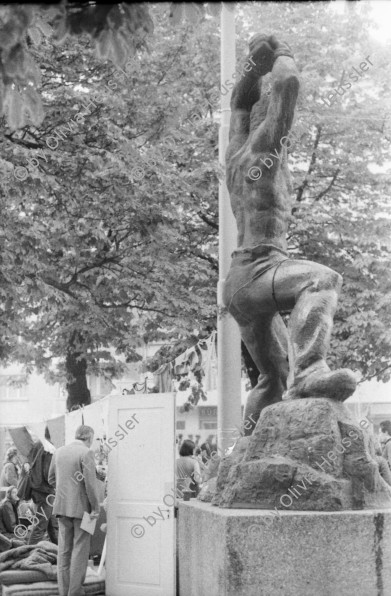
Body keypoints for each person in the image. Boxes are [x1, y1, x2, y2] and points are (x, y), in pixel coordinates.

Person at [223, 34, 357, 435]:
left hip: (237, 286)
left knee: (271, 379)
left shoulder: (234, 156)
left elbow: (238, 104)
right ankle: (311, 371)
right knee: (321, 279)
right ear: (271, 122)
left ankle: (244, 453)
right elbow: (288, 85)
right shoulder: (266, 149)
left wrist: (251, 65)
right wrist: (279, 51)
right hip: (262, 266)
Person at [49, 425, 100, 596]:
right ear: (89, 437)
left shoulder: (59, 451)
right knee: (80, 551)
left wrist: (65, 491)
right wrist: (95, 508)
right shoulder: (86, 453)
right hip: (84, 511)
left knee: (63, 551)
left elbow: (50, 479)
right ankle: (75, 592)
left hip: (61, 508)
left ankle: (64, 592)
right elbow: (91, 486)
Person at [27, 440, 58, 545]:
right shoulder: (48, 447)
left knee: (52, 525)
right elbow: (48, 474)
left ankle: (60, 553)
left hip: (38, 490)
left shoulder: (37, 445)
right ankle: (28, 553)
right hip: (45, 491)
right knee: (41, 526)